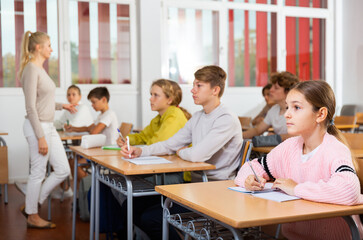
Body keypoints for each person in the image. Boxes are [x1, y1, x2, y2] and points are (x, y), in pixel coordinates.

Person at [120, 65, 243, 239]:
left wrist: (181, 152)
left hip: (216, 191)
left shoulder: (226, 118)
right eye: (194, 85)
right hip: (195, 188)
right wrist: (139, 151)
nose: (192, 90)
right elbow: (170, 144)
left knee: (151, 218)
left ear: (215, 90)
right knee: (131, 205)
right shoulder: (199, 116)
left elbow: (196, 155)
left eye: (199, 86)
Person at [235, 80, 363, 239]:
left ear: (320, 114)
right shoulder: (289, 147)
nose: (287, 114)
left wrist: (296, 188)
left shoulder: (334, 150)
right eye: (287, 107)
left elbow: (349, 191)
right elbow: (250, 166)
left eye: (296, 107)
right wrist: (249, 180)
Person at [19, 31, 76, 229]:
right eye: (49, 45)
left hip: (48, 126)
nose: (51, 49)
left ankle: (31, 204)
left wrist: (63, 106)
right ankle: (32, 214)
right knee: (38, 172)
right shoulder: (31, 70)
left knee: (62, 170)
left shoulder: (40, 69)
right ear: (38, 47)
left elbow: (45, 101)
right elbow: (31, 107)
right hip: (38, 127)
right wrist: (40, 137)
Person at [243, 72, 299, 141]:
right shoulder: (274, 110)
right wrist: (238, 136)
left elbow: (298, 135)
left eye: (276, 88)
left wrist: (274, 137)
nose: (270, 90)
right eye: (272, 86)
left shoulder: (297, 110)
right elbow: (257, 130)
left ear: (288, 92)